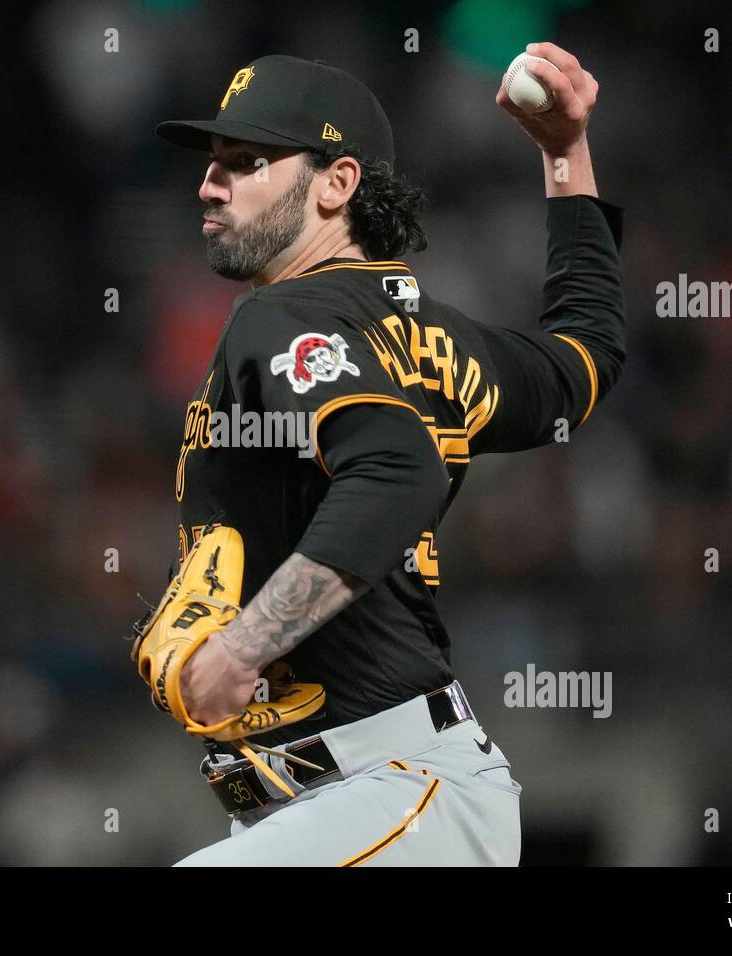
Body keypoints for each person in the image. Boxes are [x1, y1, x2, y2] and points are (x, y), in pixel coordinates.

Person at [153, 47, 625, 866]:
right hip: (369, 802)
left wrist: (243, 646)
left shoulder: (280, 317)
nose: (210, 181)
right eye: (213, 160)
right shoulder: (440, 339)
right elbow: (586, 355)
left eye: (247, 160)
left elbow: (399, 468)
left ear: (336, 185)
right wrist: (565, 154)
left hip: (389, 792)